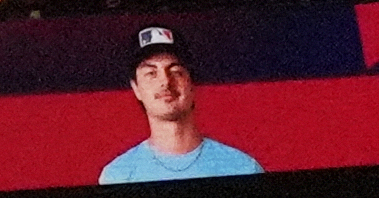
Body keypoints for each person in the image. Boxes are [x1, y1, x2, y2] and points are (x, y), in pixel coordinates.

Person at [100, 23, 263, 185]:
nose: (165, 81)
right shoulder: (117, 177)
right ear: (136, 88)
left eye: (175, 72)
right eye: (151, 73)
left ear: (191, 84)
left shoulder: (243, 169)